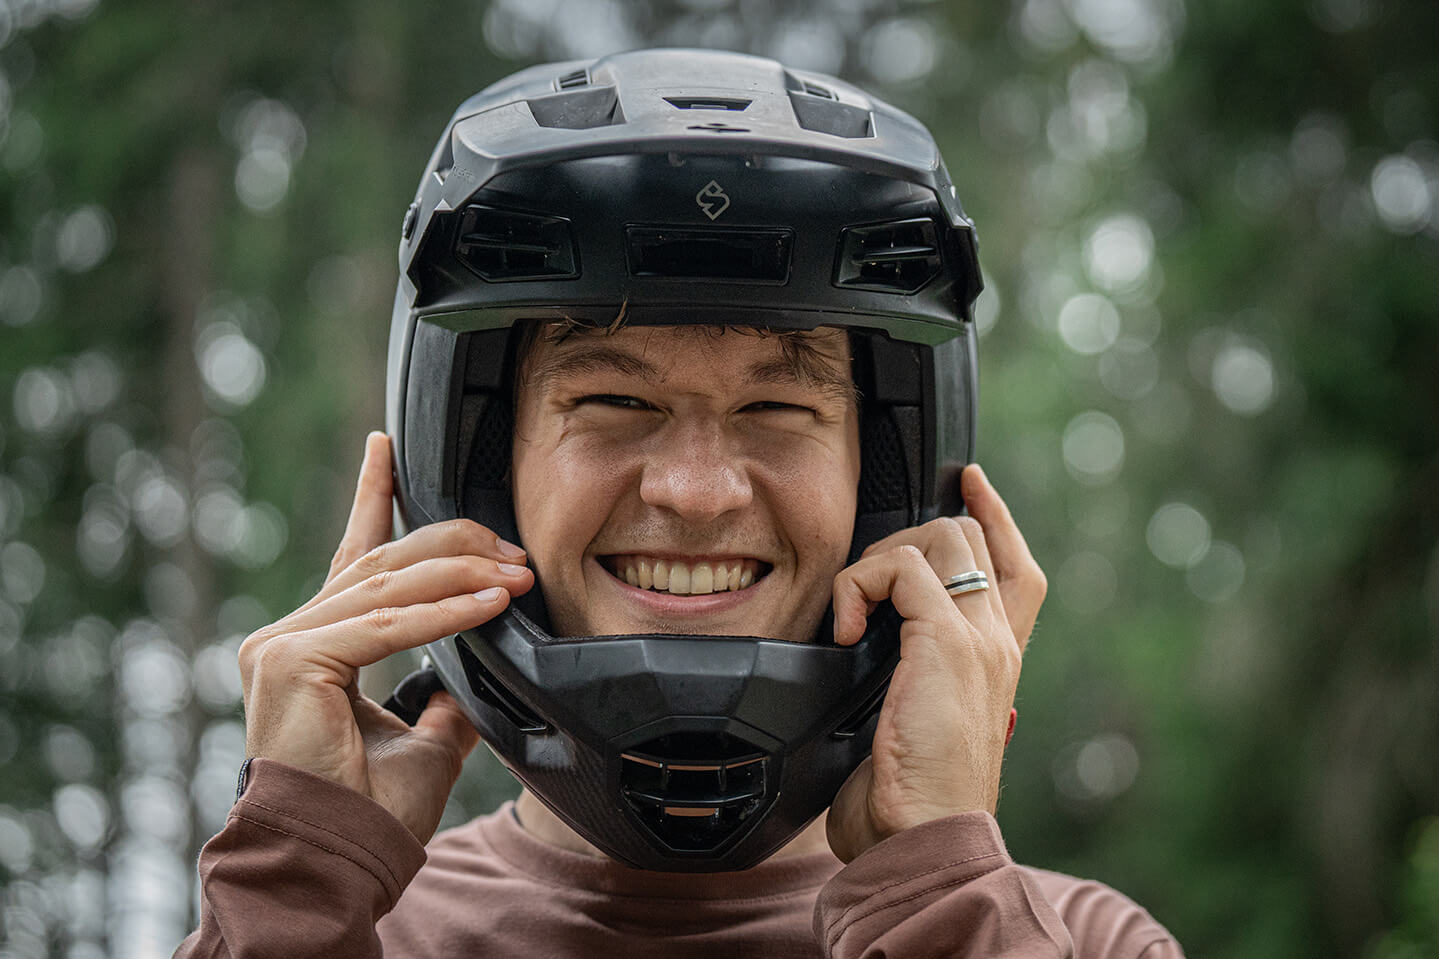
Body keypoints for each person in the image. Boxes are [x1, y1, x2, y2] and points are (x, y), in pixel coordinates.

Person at [176, 49, 1183, 957]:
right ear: (473, 472)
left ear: (887, 489)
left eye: (777, 407)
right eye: (613, 401)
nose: (696, 492)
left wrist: (939, 894)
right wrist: (295, 892)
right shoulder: (339, 926)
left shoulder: (1078, 939)